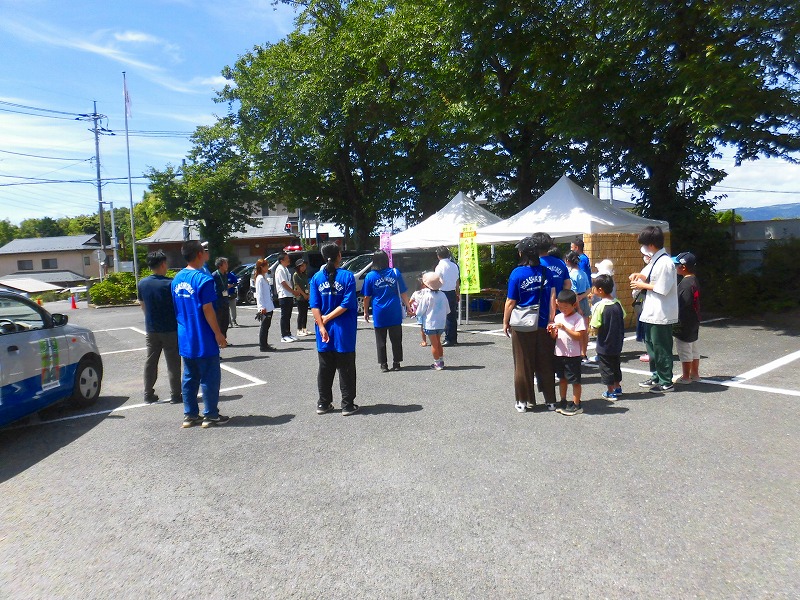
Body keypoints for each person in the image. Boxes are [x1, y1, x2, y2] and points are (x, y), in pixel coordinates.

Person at [171, 240, 229, 428]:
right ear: (198, 255)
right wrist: (218, 334)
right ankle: (210, 414)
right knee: (209, 377)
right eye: (204, 251)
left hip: (185, 336)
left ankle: (190, 414)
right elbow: (207, 309)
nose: (206, 253)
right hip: (203, 336)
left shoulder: (177, 279)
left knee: (189, 376)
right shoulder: (204, 279)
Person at [503, 236, 556, 412]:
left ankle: (522, 401)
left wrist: (505, 322)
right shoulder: (546, 272)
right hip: (542, 323)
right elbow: (553, 297)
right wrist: (551, 318)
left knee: (522, 363)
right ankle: (550, 401)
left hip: (523, 324)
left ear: (522, 253)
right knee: (545, 363)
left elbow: (511, 301)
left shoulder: (517, 273)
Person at [310, 242, 359, 416]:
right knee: (346, 368)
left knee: (325, 368)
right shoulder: (347, 276)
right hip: (343, 331)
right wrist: (328, 318)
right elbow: (347, 303)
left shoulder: (316, 278)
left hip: (324, 332)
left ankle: (323, 403)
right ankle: (347, 405)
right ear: (339, 256)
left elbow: (314, 305)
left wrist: (322, 325)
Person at [630, 225, 678, 393]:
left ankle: (666, 381)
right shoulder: (656, 259)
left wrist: (641, 284)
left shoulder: (665, 262)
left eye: (643, 244)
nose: (642, 248)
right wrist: (638, 276)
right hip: (651, 311)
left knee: (661, 346)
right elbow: (646, 274)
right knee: (651, 345)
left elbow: (662, 287)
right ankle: (656, 375)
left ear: (650, 244)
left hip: (661, 312)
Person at [138, 250, 181, 405]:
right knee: (173, 362)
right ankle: (176, 394)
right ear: (163, 264)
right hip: (170, 328)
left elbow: (142, 306)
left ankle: (148, 393)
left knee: (151, 361)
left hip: (151, 329)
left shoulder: (142, 283)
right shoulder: (170, 283)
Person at [363, 250, 412, 372]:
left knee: (381, 339)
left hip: (379, 310)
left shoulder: (370, 276)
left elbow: (366, 296)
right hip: (394, 309)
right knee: (396, 339)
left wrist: (365, 311)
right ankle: (396, 362)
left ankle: (383, 364)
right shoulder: (395, 273)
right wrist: (408, 305)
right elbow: (403, 292)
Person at [547, 289, 586, 416]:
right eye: (560, 307)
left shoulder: (578, 318)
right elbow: (555, 337)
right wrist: (552, 331)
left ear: (574, 305)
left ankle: (576, 404)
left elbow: (578, 336)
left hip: (573, 355)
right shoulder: (558, 317)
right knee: (562, 379)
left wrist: (565, 328)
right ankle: (563, 400)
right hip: (559, 354)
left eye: (566, 307)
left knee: (575, 381)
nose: (563, 310)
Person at [590, 274, 626, 402]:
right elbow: (623, 316)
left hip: (604, 342)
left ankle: (610, 391)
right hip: (617, 341)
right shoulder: (617, 303)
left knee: (606, 367)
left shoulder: (599, 306)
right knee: (616, 364)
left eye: (594, 287)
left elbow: (595, 325)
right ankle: (617, 387)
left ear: (600, 290)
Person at [672, 252, 701, 384]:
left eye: (677, 265)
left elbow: (683, 304)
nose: (675, 267)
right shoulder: (694, 280)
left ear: (683, 267)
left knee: (684, 349)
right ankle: (695, 374)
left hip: (684, 321)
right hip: (694, 319)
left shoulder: (685, 284)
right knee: (694, 348)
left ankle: (685, 377)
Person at [414, 272, 451, 370]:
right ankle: (441, 361)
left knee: (434, 344)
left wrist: (414, 313)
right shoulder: (443, 295)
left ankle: (437, 363)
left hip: (430, 324)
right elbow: (448, 310)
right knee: (438, 342)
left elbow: (420, 311)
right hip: (441, 323)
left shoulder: (427, 296)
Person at [565, 250, 591, 360]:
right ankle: (584, 353)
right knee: (584, 329)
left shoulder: (571, 275)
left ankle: (576, 353)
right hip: (584, 301)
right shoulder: (583, 273)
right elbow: (589, 289)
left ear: (567, 261)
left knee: (575, 329)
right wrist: (583, 296)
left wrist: (578, 306)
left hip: (576, 303)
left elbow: (574, 292)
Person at [434, 246, 460, 346]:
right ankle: (454, 338)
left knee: (444, 317)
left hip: (442, 292)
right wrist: (457, 293)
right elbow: (457, 281)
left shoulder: (439, 267)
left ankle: (448, 338)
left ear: (438, 256)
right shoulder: (454, 265)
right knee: (452, 316)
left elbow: (437, 281)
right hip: (452, 292)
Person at [275, 252, 298, 342]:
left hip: (288, 295)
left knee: (288, 315)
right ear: (282, 260)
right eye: (287, 258)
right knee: (284, 316)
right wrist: (293, 292)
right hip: (284, 295)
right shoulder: (280, 269)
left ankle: (288, 333)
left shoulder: (285, 268)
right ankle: (284, 335)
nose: (289, 259)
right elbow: (283, 283)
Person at [254, 258, 275, 352]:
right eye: (266, 266)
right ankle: (263, 345)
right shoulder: (259, 279)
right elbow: (259, 294)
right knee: (264, 326)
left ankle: (265, 344)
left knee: (267, 326)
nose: (268, 267)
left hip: (269, 305)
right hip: (265, 307)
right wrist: (261, 307)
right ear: (261, 267)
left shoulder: (264, 277)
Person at [212, 257, 231, 340]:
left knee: (226, 322)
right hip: (218, 302)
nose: (227, 265)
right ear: (220, 265)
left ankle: (224, 339)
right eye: (225, 263)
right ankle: (219, 340)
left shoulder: (225, 274)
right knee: (219, 321)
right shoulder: (214, 275)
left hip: (225, 301)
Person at [409, 275, 428, 347]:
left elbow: (410, 302)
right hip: (427, 311)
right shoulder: (427, 291)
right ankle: (434, 340)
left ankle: (424, 341)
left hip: (419, 312)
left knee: (422, 328)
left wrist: (410, 309)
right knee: (430, 327)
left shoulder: (415, 293)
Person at [293, 258, 311, 336]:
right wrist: (304, 295)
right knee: (301, 313)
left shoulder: (304, 274)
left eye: (305, 266)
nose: (304, 267)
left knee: (305, 312)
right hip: (300, 296)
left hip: (306, 295)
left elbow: (307, 284)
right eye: (302, 266)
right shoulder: (295, 275)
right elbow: (297, 286)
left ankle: (304, 328)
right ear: (298, 267)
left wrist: (309, 294)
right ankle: (299, 329)